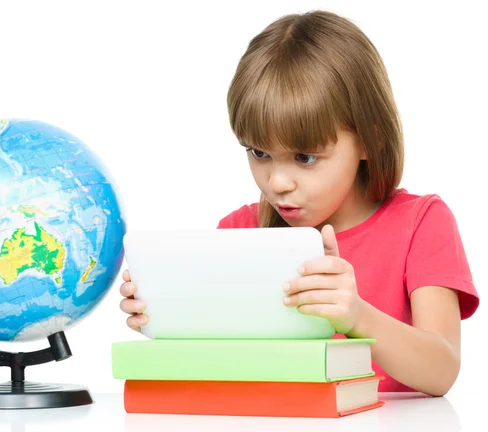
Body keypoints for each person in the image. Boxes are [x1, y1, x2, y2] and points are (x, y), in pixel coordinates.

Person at [118, 10, 479, 396]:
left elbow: (441, 371)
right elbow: (228, 376)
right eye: (258, 152)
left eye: (305, 158)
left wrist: (356, 314)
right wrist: (170, 321)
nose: (277, 182)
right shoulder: (239, 234)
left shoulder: (421, 223)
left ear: (368, 141)